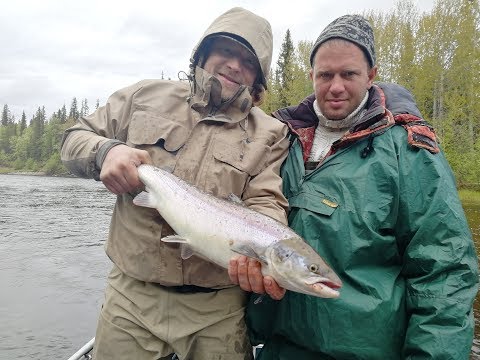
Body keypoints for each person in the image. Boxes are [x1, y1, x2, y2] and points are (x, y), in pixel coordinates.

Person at [229, 14, 479, 359]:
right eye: (325, 75)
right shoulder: (278, 138)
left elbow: (445, 272)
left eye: (349, 74)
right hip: (276, 346)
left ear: (371, 75)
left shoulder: (409, 150)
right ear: (312, 75)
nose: (336, 86)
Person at [61, 7, 290, 360]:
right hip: (131, 299)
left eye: (248, 61)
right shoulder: (144, 96)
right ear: (203, 53)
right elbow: (74, 138)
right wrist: (105, 151)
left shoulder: (270, 134)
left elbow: (266, 201)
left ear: (257, 78)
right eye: (226, 51)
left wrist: (268, 249)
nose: (234, 65)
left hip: (218, 310)